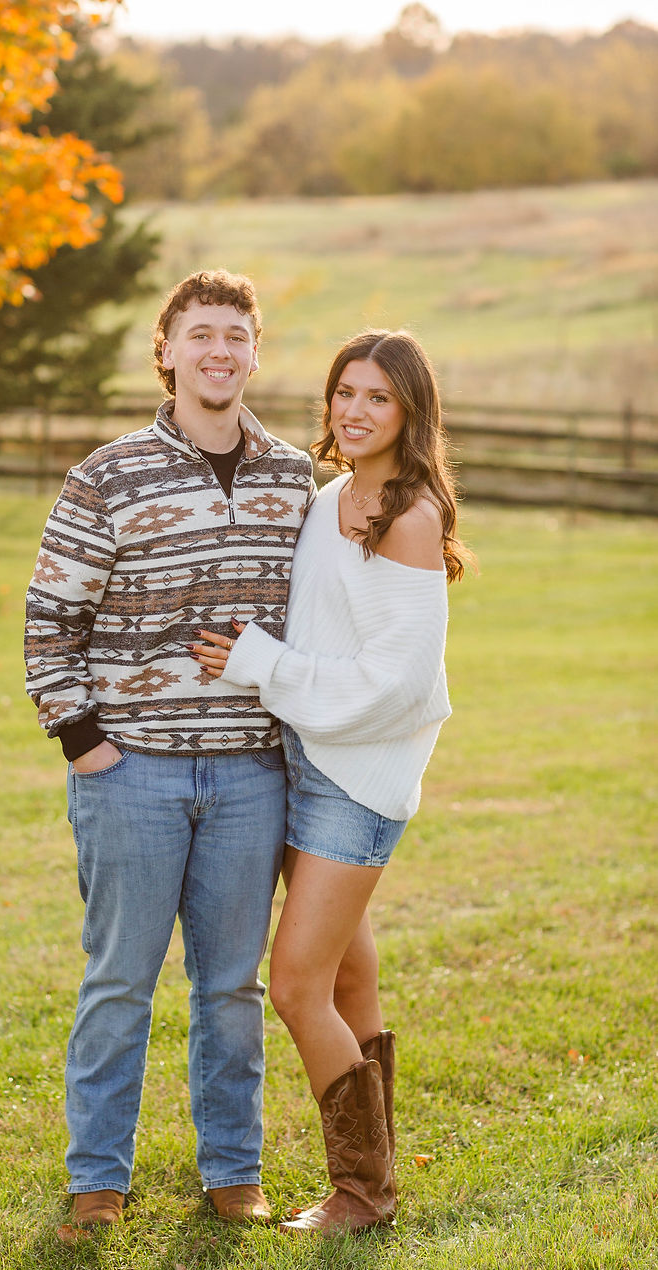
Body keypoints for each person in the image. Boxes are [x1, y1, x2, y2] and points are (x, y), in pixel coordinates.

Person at [24, 269, 315, 1241]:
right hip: (131, 774)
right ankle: (96, 1181)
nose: (217, 351)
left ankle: (233, 1171)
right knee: (119, 981)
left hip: (247, 776)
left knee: (229, 986)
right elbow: (49, 617)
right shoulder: (104, 475)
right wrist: (83, 743)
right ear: (166, 350)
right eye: (199, 334)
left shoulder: (290, 479)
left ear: (254, 352)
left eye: (234, 335)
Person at [192, 327, 470, 1237]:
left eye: (377, 398)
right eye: (345, 392)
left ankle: (362, 1192)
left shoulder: (409, 516)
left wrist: (260, 665)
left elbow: (393, 685)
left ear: (410, 413)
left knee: (296, 985)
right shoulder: (329, 500)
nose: (355, 410)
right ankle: (375, 1179)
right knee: (348, 976)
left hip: (357, 779)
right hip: (304, 755)